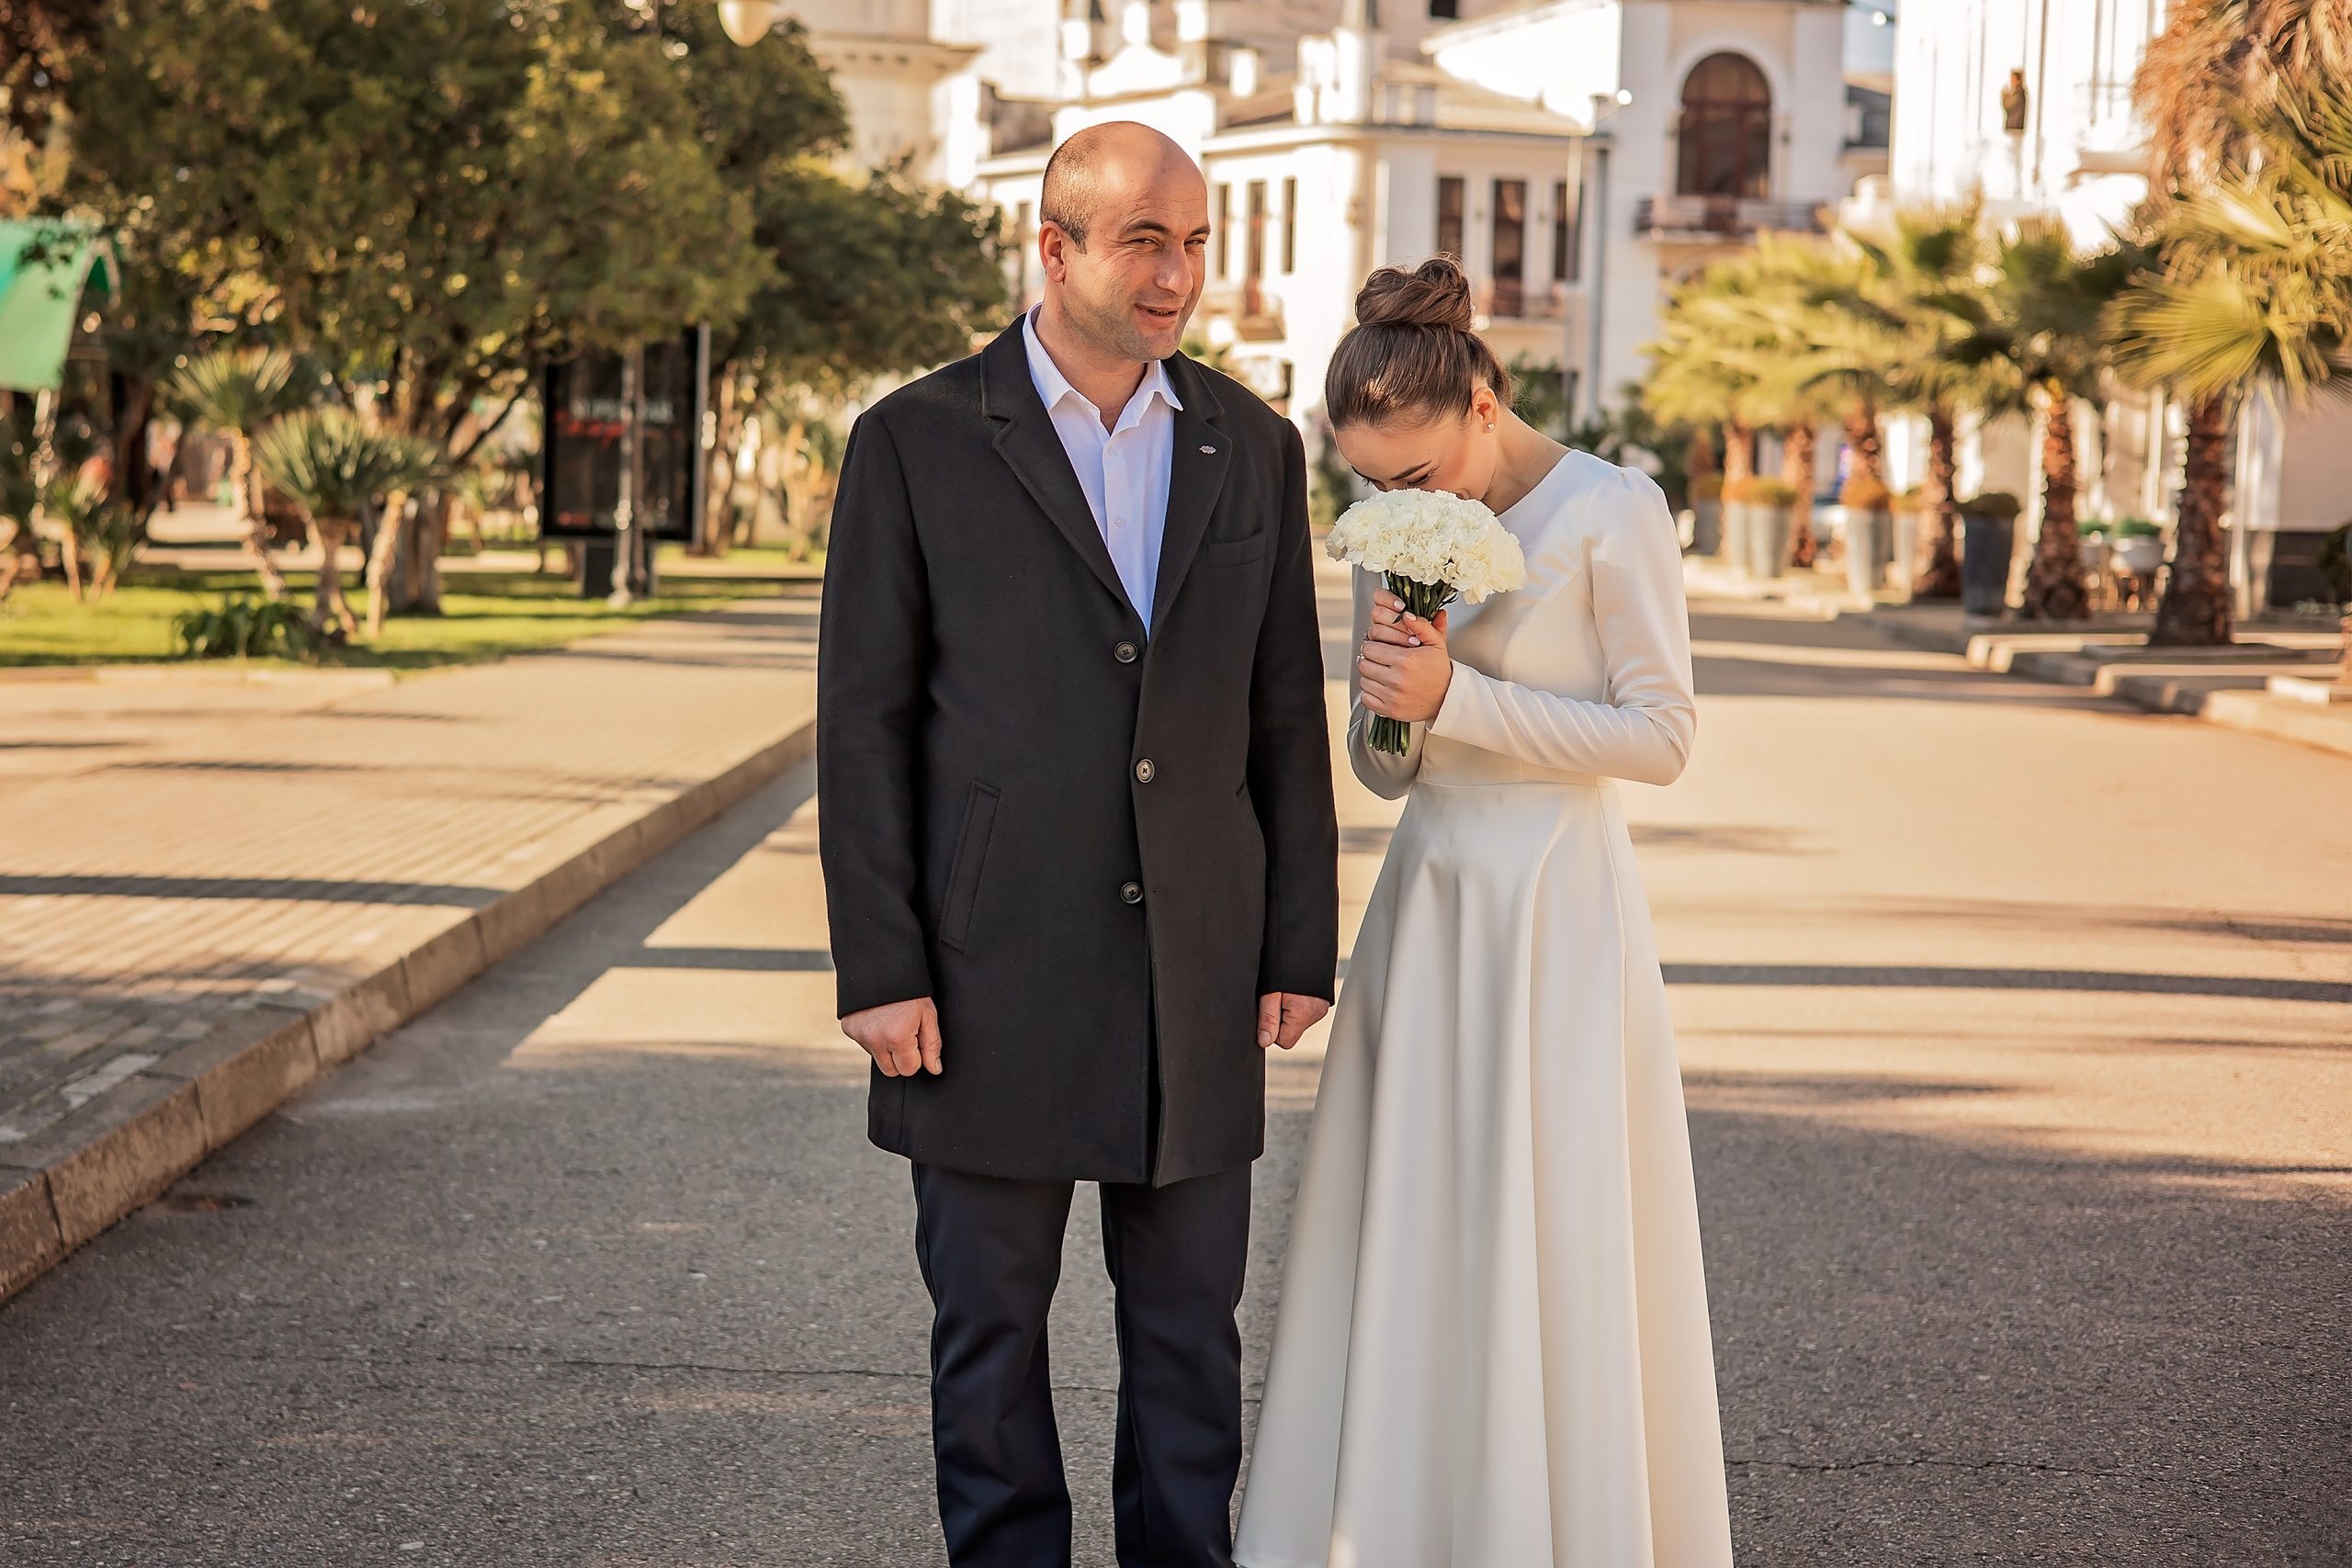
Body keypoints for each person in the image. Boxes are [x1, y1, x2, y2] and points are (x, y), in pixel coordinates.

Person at [817, 121, 1340, 1568]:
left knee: (1190, 1343)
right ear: (1051, 250)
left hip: (1195, 964)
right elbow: (859, 729)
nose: (1177, 275)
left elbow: (1283, 715)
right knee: (988, 1338)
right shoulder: (915, 440)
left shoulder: (1254, 445)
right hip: (987, 971)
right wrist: (882, 966)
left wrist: (1298, 944)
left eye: (1194, 241)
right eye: (1143, 241)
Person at [1234, 256, 1735, 1568]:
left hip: (1558, 911)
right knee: (1410, 1228)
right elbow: (1386, 771)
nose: (1396, 504)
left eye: (1413, 475)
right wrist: (1393, 703)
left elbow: (1664, 739)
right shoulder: (1393, 538)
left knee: (1553, 1225)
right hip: (1434, 900)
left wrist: (1465, 697)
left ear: (1484, 404)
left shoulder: (1612, 509)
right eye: (1368, 485)